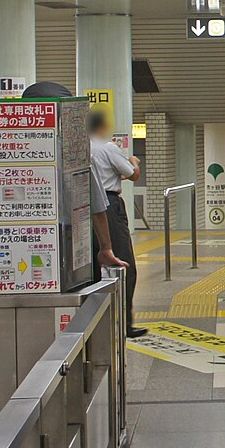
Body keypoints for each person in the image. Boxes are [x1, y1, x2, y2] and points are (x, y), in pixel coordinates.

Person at [89, 111, 146, 337]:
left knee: (92, 268)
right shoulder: (107, 147)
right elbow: (133, 175)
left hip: (82, 208)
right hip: (109, 206)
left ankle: (95, 325)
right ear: (102, 127)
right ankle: (124, 324)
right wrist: (134, 162)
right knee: (123, 263)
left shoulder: (80, 147)